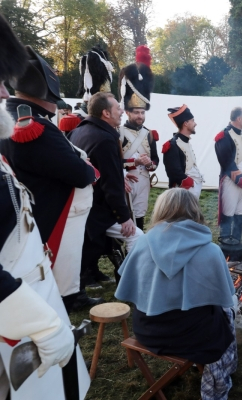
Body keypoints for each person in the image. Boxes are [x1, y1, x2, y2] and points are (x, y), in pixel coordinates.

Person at [0, 15, 90, 398]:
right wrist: (39, 322)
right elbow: (79, 171)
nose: (3, 94)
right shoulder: (30, 124)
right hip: (18, 308)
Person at [0, 45, 101, 311]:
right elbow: (79, 174)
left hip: (44, 203)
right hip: (58, 207)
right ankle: (69, 296)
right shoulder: (35, 126)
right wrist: (89, 169)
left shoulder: (18, 119)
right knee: (65, 255)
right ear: (42, 96)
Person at [115, 188, 237, 400]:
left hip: (148, 331)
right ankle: (224, 373)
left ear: (160, 210)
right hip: (196, 339)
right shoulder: (211, 251)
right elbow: (226, 298)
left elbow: (129, 288)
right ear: (195, 211)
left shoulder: (142, 243)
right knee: (226, 314)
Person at [70, 92, 143, 302]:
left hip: (81, 203)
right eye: (117, 108)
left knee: (85, 251)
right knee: (136, 236)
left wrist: (120, 173)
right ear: (105, 112)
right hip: (96, 207)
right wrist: (123, 217)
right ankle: (131, 283)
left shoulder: (80, 131)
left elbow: (99, 168)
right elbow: (110, 184)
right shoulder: (104, 138)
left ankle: (77, 292)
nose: (121, 111)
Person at [119, 45, 159, 230]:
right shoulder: (118, 133)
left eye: (142, 112)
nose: (140, 116)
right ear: (127, 112)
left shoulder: (150, 134)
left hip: (144, 181)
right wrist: (134, 163)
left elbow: (156, 160)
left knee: (140, 219)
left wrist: (150, 164)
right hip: (126, 181)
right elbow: (115, 161)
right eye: (136, 112)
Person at [215, 107, 242, 241]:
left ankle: (236, 245)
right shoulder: (224, 136)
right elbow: (226, 162)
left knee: (240, 214)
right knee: (228, 215)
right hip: (230, 181)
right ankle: (225, 246)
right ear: (238, 119)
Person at [162, 104, 203, 200]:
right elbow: (173, 172)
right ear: (185, 123)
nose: (195, 124)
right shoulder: (172, 145)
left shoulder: (186, 142)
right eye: (192, 121)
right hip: (183, 192)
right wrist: (189, 182)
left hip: (191, 190)